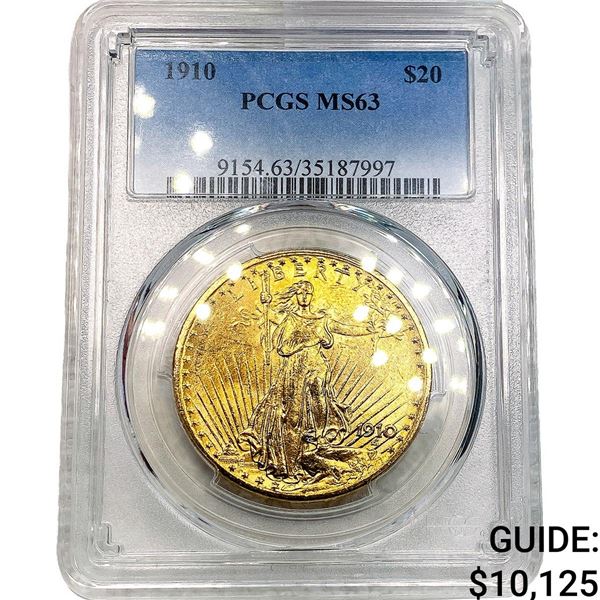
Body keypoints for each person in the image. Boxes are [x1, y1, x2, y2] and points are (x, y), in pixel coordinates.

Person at [239, 280, 373, 483]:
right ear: (295, 295)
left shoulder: (321, 319)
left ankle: (316, 439)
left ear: (311, 296)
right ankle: (291, 463)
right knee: (292, 416)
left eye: (308, 293)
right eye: (300, 292)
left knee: (320, 402)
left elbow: (344, 329)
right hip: (295, 373)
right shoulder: (290, 319)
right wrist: (310, 339)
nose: (304, 296)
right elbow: (283, 348)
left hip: (317, 368)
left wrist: (369, 328)